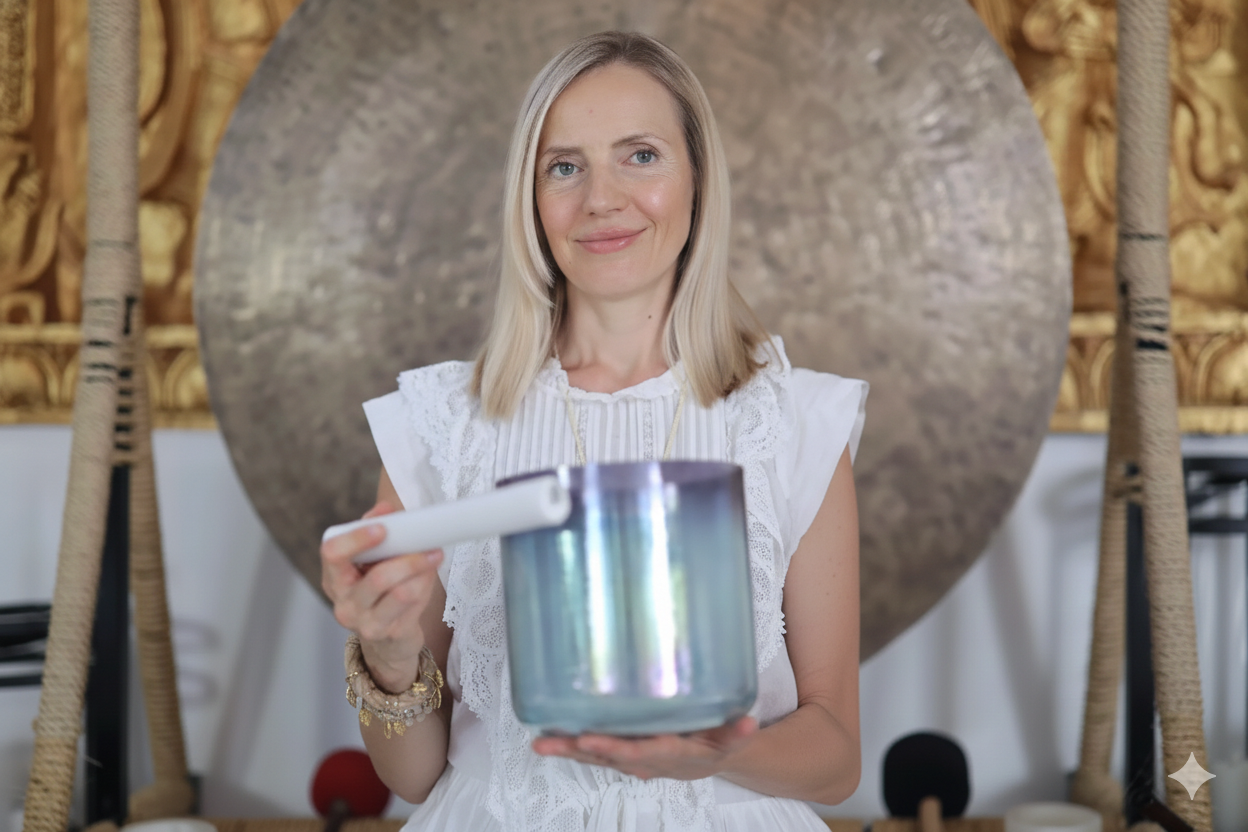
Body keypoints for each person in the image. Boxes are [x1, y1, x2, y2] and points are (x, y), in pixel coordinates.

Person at [320, 30, 868, 831]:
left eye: (641, 156)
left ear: (698, 181)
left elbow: (837, 759)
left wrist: (716, 755)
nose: (601, 199)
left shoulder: (795, 422)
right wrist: (391, 659)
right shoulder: (441, 423)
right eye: (564, 167)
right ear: (531, 199)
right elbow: (413, 776)